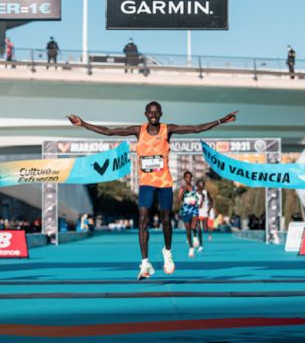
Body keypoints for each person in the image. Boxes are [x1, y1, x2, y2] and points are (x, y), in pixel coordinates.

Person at [66, 102, 238, 280]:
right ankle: (145, 262)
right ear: (146, 114)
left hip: (164, 182)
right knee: (143, 219)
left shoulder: (167, 129)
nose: (154, 114)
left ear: (161, 114)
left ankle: (168, 252)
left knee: (165, 219)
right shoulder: (138, 130)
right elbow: (109, 131)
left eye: (156, 112)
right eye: (151, 112)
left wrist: (220, 121)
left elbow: (195, 129)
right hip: (146, 183)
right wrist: (83, 123)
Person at [178, 172, 201, 258]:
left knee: (193, 226)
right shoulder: (182, 188)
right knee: (188, 230)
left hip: (194, 209)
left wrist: (199, 202)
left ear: (191, 178)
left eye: (190, 177)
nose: (188, 179)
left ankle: (195, 236)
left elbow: (199, 197)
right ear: (184, 178)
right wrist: (183, 191)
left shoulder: (195, 188)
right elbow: (178, 201)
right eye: (187, 177)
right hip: (185, 210)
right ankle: (191, 248)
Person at [196, 179, 213, 251]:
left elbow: (211, 201)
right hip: (197, 212)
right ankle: (200, 245)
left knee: (205, 229)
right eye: (200, 185)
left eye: (202, 185)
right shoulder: (194, 193)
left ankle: (207, 233)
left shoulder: (206, 192)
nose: (201, 186)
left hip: (205, 212)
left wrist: (209, 210)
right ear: (197, 185)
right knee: (198, 229)